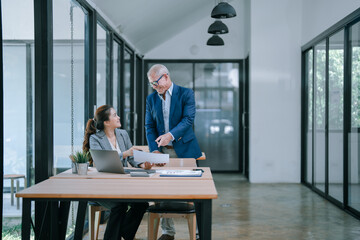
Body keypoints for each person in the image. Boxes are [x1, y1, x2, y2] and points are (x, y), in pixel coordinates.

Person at [145, 64, 202, 240]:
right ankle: (168, 232)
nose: (155, 87)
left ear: (166, 77)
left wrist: (170, 135)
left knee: (194, 191)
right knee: (161, 192)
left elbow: (188, 120)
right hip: (161, 152)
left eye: (156, 83)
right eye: (152, 84)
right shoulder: (151, 99)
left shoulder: (186, 93)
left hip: (184, 149)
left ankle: (198, 232)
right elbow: (149, 126)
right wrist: (154, 150)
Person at [83, 104, 152, 240]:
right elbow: (103, 163)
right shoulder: (95, 139)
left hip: (122, 185)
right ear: (106, 122)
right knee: (119, 205)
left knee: (142, 203)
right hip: (103, 186)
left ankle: (124, 233)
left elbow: (132, 158)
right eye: (115, 115)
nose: (119, 117)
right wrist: (125, 153)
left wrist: (143, 165)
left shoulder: (123, 134)